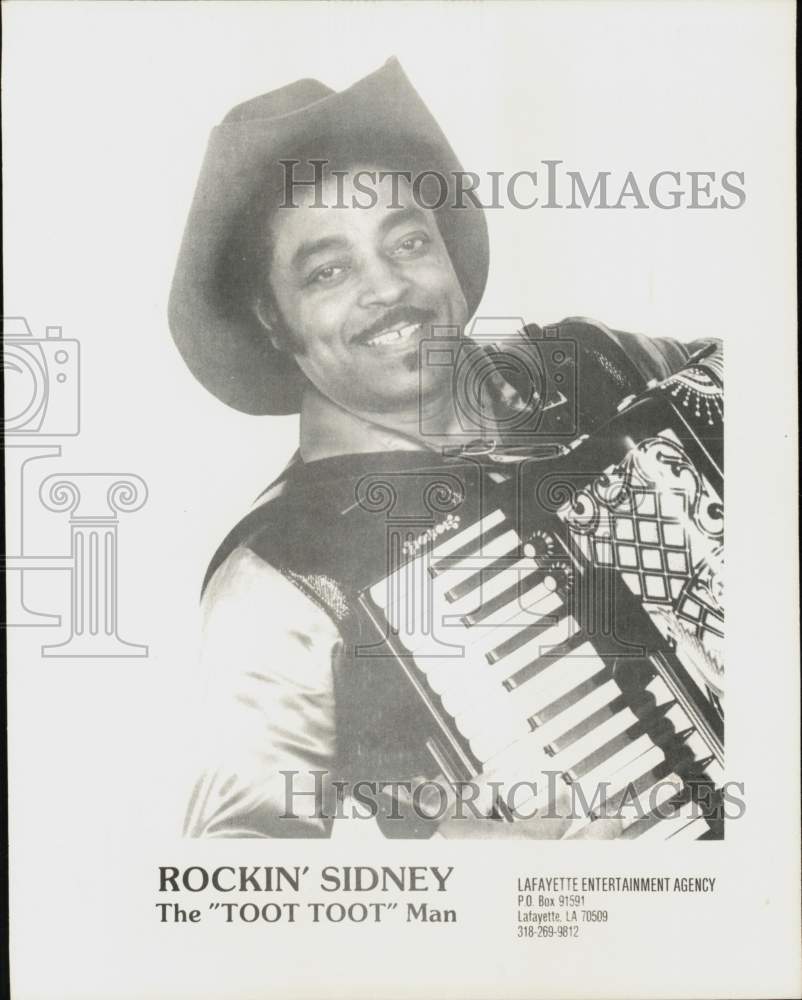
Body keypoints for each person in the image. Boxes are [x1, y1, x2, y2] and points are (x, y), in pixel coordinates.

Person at [170, 58, 719, 839]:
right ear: (271, 318)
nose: (387, 287)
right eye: (328, 270)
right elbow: (235, 879)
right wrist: (456, 880)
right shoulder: (280, 573)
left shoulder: (592, 361)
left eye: (407, 242)